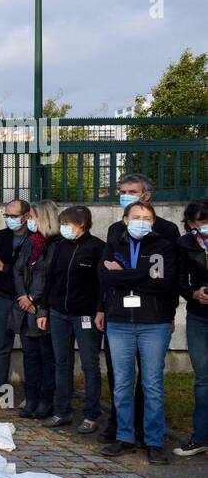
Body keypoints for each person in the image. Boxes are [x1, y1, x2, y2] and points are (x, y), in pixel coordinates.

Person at [99, 174, 181, 444]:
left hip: (154, 318)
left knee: (151, 383)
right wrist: (142, 275)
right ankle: (122, 432)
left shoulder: (166, 233)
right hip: (119, 317)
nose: (125, 195)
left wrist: (126, 274)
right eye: (122, 191)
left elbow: (167, 281)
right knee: (120, 380)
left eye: (131, 191)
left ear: (147, 195)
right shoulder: (114, 232)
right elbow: (105, 276)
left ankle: (151, 437)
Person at [40, 206, 105, 433]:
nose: (64, 228)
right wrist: (44, 310)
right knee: (62, 363)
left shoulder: (97, 247)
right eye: (62, 223)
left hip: (85, 315)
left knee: (89, 365)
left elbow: (102, 285)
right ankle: (62, 411)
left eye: (68, 224)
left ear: (82, 224)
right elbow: (50, 279)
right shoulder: (59, 246)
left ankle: (91, 414)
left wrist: (100, 310)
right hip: (59, 313)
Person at [10, 201, 61, 419]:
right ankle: (30, 399)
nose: (28, 221)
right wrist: (23, 296)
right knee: (29, 356)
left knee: (46, 357)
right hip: (25, 308)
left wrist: (33, 297)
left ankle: (45, 400)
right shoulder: (30, 242)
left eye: (31, 217)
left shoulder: (55, 244)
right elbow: (18, 270)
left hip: (43, 308)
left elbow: (48, 275)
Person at [0, 198, 32, 403]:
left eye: (14, 216)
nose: (10, 219)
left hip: (27, 300)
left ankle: (31, 394)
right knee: (2, 345)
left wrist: (6, 268)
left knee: (30, 348)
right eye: (8, 216)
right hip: (4, 297)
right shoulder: (0, 237)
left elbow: (30, 271)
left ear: (26, 216)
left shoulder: (35, 239)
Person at [174, 200, 208, 457]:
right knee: (204, 378)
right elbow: (178, 278)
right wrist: (193, 293)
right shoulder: (185, 243)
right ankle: (200, 437)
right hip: (199, 316)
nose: (201, 227)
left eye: (204, 220)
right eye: (195, 223)